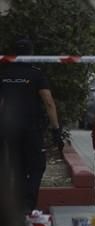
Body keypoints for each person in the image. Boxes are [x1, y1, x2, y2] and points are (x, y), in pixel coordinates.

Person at [0, 37, 63, 214]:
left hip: (10, 128)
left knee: (17, 167)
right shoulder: (36, 74)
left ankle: (19, 206)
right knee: (37, 166)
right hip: (31, 128)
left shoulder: (4, 73)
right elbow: (48, 102)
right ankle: (28, 204)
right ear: (31, 53)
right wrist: (56, 129)